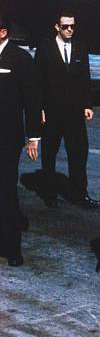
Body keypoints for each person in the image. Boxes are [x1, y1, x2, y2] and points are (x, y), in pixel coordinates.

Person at [34, 12, 100, 209]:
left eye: (72, 26)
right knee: (49, 155)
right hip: (52, 112)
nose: (69, 30)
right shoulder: (45, 48)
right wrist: (39, 109)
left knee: (79, 155)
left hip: (74, 113)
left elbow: (85, 79)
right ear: (57, 27)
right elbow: (38, 82)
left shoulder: (80, 48)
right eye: (65, 26)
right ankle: (49, 193)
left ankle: (80, 194)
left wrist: (88, 105)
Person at [0, 14, 42, 266]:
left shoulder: (20, 59)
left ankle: (11, 248)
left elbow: (32, 101)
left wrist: (33, 137)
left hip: (6, 138)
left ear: (2, 32)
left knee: (6, 191)